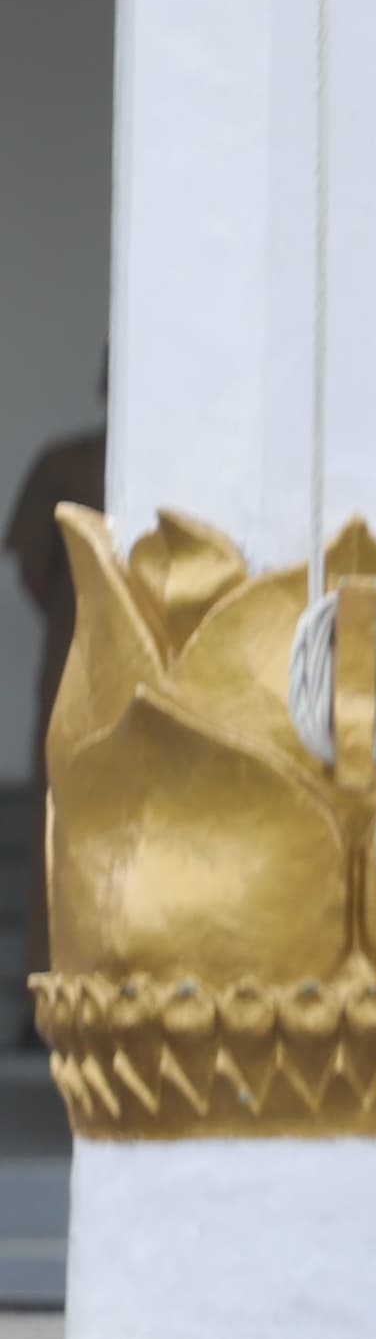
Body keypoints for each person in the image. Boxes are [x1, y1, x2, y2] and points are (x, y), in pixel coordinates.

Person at [7, 403, 104, 1014]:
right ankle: (43, 984)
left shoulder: (175, 463)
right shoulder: (65, 464)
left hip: (135, 668)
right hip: (71, 664)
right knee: (53, 819)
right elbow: (33, 568)